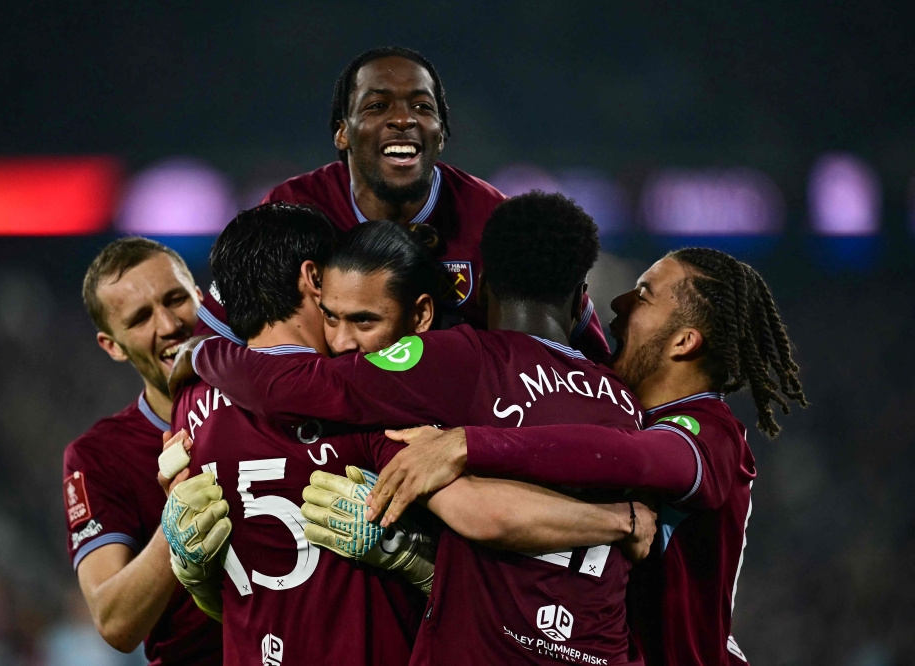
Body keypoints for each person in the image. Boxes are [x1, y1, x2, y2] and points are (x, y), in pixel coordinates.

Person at [177, 192, 650, 665]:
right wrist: (622, 520)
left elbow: (296, 388)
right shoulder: (624, 400)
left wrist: (204, 352)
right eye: (332, 317)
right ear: (579, 298)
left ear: (477, 289)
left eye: (363, 320)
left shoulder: (454, 362)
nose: (344, 344)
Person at [364, 248, 807, 666]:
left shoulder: (711, 433)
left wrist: (466, 443)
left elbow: (634, 458)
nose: (619, 303)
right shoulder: (606, 401)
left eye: (644, 295)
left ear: (684, 342)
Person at [194, 46, 609, 358]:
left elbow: (585, 360)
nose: (403, 119)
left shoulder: (495, 222)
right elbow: (211, 343)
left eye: (421, 107)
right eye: (377, 105)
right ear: (342, 132)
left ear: (441, 132)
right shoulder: (292, 209)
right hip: (325, 429)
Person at [61, 238, 222, 664]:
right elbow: (115, 623)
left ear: (200, 298)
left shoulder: (273, 398)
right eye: (140, 318)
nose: (169, 325)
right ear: (111, 345)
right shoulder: (98, 457)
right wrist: (175, 529)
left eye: (176, 300)